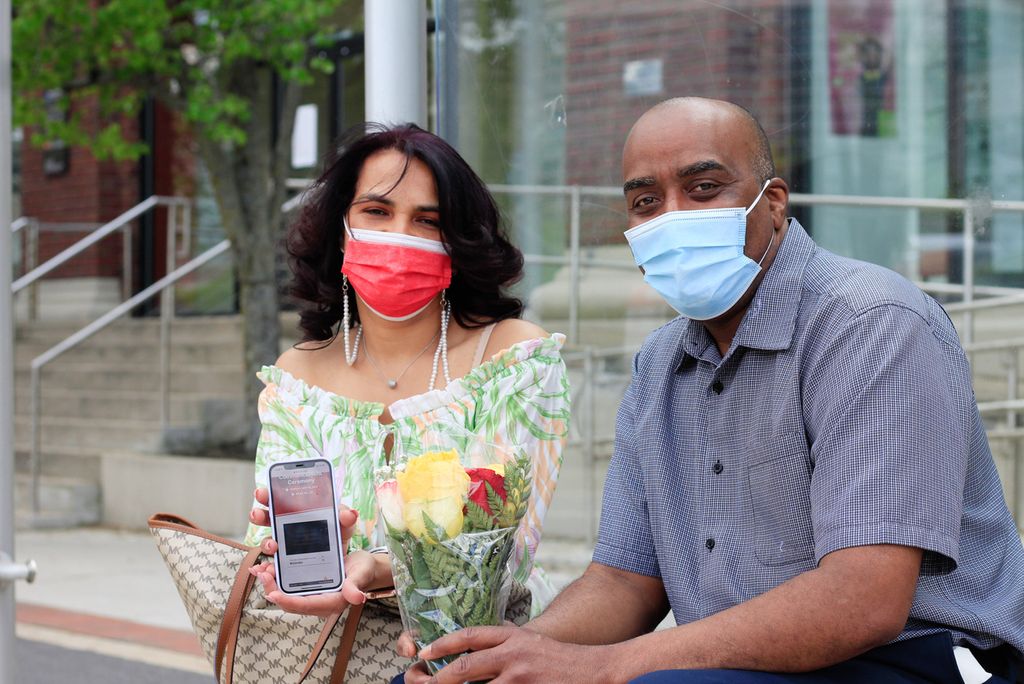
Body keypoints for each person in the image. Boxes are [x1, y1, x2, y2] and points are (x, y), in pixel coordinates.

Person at [398, 98, 1024, 683]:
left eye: (703, 189)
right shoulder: (662, 361)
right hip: (739, 667)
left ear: (773, 203)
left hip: (920, 657)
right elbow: (624, 582)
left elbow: (863, 601)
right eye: (645, 202)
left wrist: (607, 668)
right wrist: (506, 656)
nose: (672, 216)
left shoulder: (873, 325)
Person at [244, 123, 570, 629]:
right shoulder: (297, 379)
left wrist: (372, 567)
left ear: (459, 241)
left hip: (486, 652)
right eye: (376, 211)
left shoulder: (514, 362)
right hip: (325, 648)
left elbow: (503, 549)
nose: (399, 234)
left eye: (427, 220)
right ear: (341, 229)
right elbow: (276, 556)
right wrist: (287, 554)